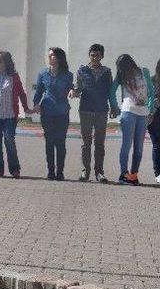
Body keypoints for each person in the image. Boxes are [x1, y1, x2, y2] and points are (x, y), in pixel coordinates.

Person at [0, 51, 32, 178]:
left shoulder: (14, 77)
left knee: (9, 141)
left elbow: (21, 94)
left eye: (0, 60)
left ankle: (14, 169)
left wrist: (26, 108)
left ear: (6, 62)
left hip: (9, 115)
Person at [69, 44, 117, 183]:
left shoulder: (107, 72)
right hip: (85, 110)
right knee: (86, 143)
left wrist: (114, 107)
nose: (95, 57)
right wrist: (74, 92)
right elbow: (78, 88)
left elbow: (110, 92)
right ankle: (85, 171)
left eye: (97, 55)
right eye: (92, 55)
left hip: (102, 111)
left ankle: (99, 172)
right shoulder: (82, 70)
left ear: (102, 56)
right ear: (89, 55)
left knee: (100, 143)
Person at [110, 54, 154, 185]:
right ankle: (124, 174)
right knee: (126, 144)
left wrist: (150, 109)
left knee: (139, 147)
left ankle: (133, 176)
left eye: (122, 67)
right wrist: (115, 107)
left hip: (142, 114)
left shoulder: (143, 71)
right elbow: (111, 92)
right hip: (128, 112)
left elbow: (151, 92)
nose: (121, 70)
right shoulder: (121, 75)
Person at [33, 47, 74, 181]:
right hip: (47, 112)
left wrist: (72, 91)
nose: (50, 57)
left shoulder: (67, 75)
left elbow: (71, 88)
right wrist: (36, 104)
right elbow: (39, 91)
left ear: (59, 58)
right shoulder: (43, 74)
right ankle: (51, 171)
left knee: (60, 142)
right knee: (49, 142)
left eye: (53, 55)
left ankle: (60, 172)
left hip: (62, 112)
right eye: (49, 55)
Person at [148, 58, 160, 184]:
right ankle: (158, 173)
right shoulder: (152, 80)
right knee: (157, 144)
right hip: (154, 115)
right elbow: (147, 98)